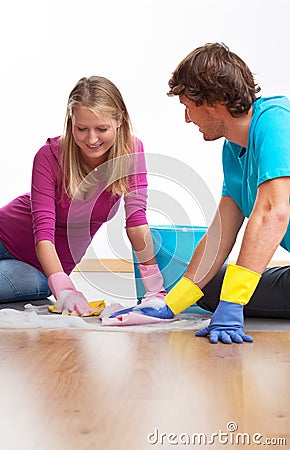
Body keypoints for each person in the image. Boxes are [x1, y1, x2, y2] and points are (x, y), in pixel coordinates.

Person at [114, 43, 290, 344]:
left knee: (227, 294)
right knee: (208, 289)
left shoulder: (276, 119)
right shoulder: (233, 148)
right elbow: (220, 234)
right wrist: (169, 305)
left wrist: (234, 302)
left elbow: (273, 212)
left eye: (188, 106)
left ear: (211, 100)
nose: (187, 118)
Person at [0, 76, 167, 315]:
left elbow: (136, 221)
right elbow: (43, 231)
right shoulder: (49, 155)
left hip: (40, 269)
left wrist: (154, 287)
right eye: (82, 129)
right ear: (71, 122)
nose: (91, 139)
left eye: (102, 129)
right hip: (6, 230)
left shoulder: (131, 152)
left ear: (119, 119)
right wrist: (65, 289)